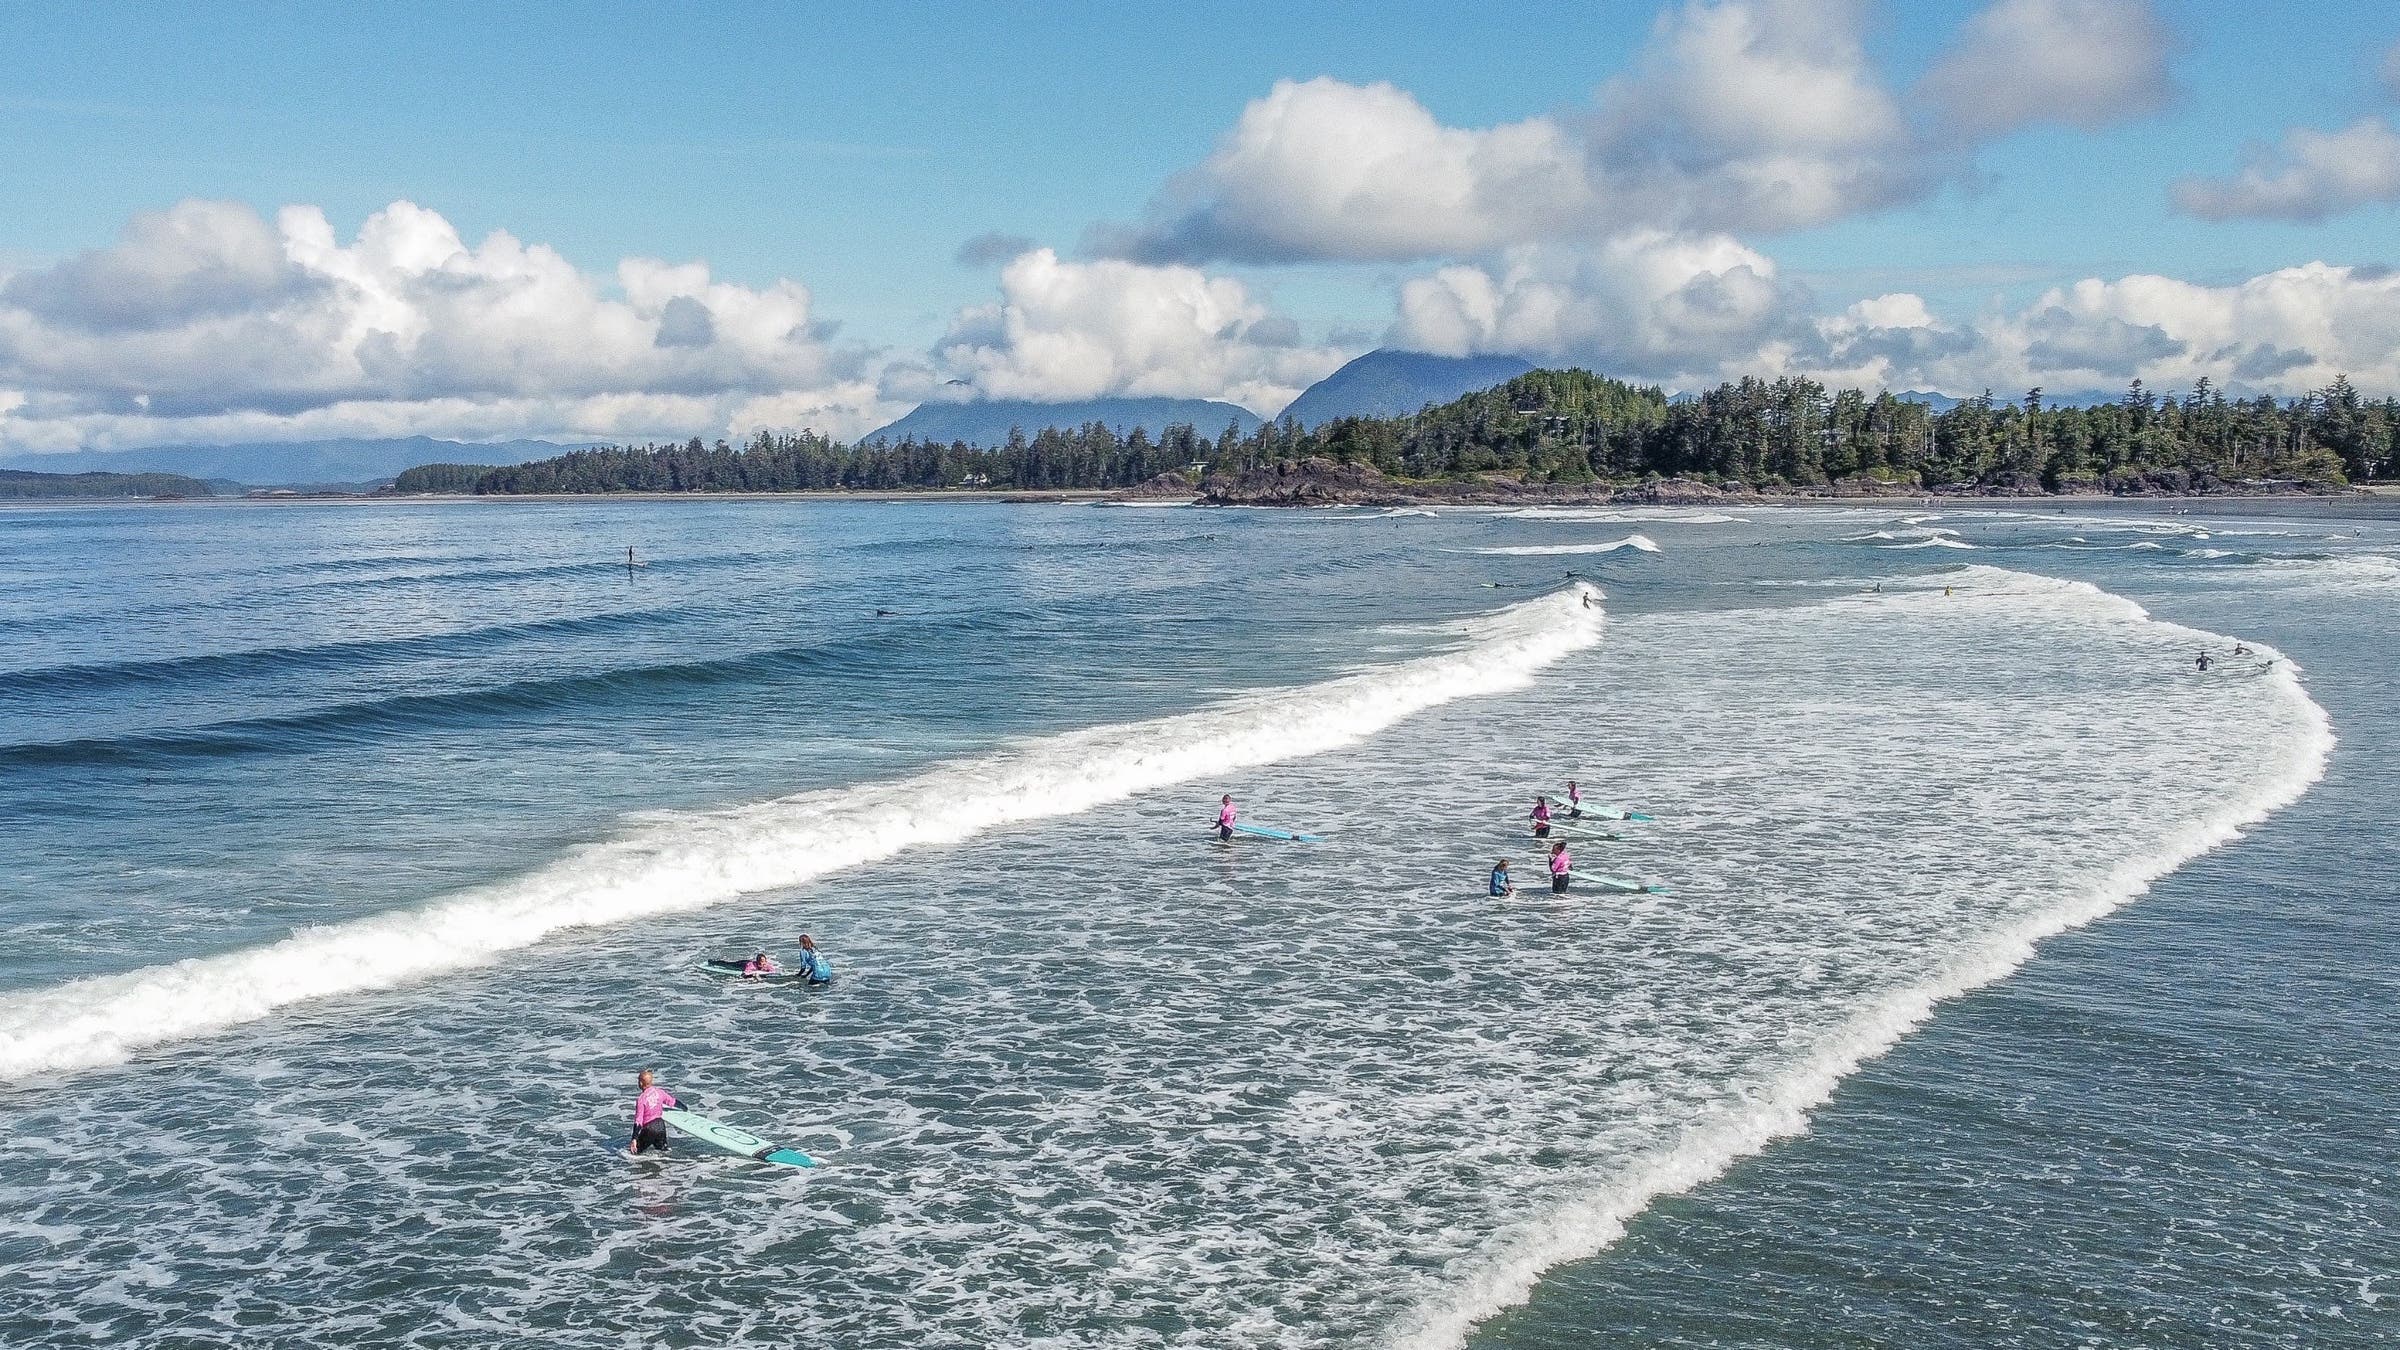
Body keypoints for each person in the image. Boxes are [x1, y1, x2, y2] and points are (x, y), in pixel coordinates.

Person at [629, 1069, 679, 1156]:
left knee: (634, 1153)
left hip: (650, 1129)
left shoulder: (641, 1099)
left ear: (641, 1083)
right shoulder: (659, 1092)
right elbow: (672, 1101)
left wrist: (634, 1139)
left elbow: (638, 1121)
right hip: (660, 1125)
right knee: (664, 1152)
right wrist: (685, 1108)